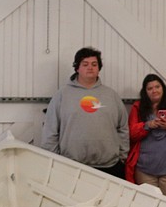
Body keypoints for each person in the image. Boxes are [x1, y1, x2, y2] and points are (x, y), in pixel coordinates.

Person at [41, 46, 128, 178]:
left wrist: (122, 155)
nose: (90, 67)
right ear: (77, 68)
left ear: (99, 68)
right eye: (85, 64)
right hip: (71, 167)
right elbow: (50, 129)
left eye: (94, 64)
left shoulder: (111, 95)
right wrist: (55, 159)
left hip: (109, 167)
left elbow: (123, 128)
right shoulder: (62, 95)